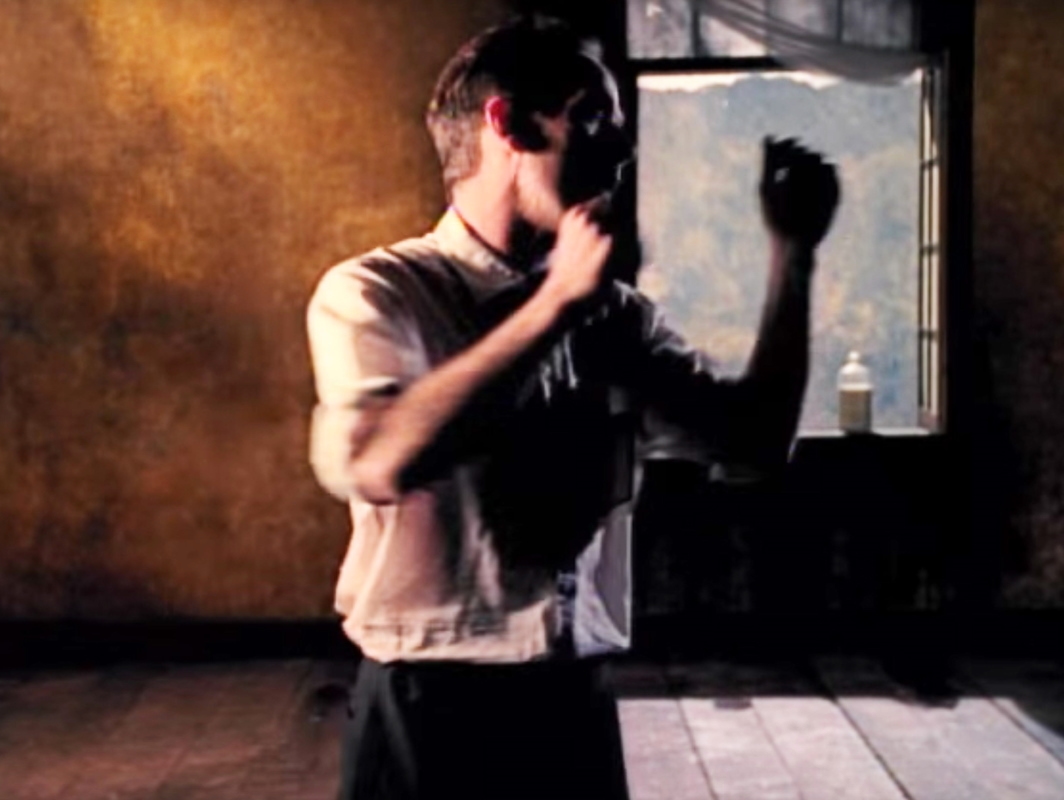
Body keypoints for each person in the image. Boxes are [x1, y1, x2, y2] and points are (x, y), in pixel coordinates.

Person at [306, 16, 839, 800]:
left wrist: (794, 256)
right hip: (425, 716)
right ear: (507, 123)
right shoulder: (377, 291)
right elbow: (380, 459)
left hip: (571, 706)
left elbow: (753, 444)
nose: (622, 148)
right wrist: (553, 306)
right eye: (592, 117)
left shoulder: (612, 317)